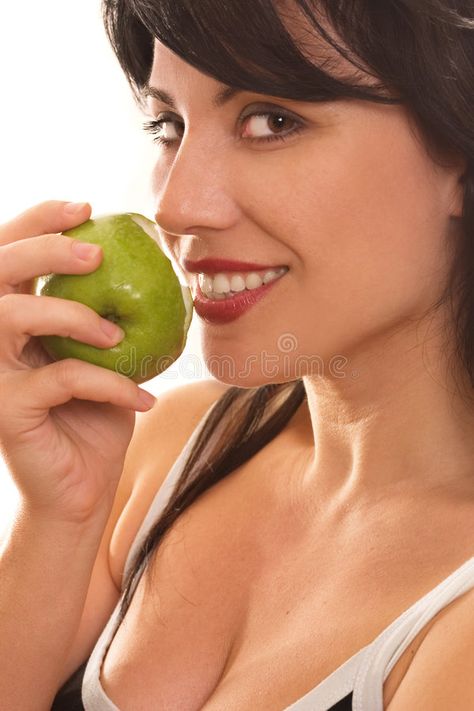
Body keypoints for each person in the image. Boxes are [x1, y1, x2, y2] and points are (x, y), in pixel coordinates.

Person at [0, 1, 473, 709]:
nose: (176, 206)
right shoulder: (168, 445)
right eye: (169, 126)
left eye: (272, 121)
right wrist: (60, 520)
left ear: (459, 158)